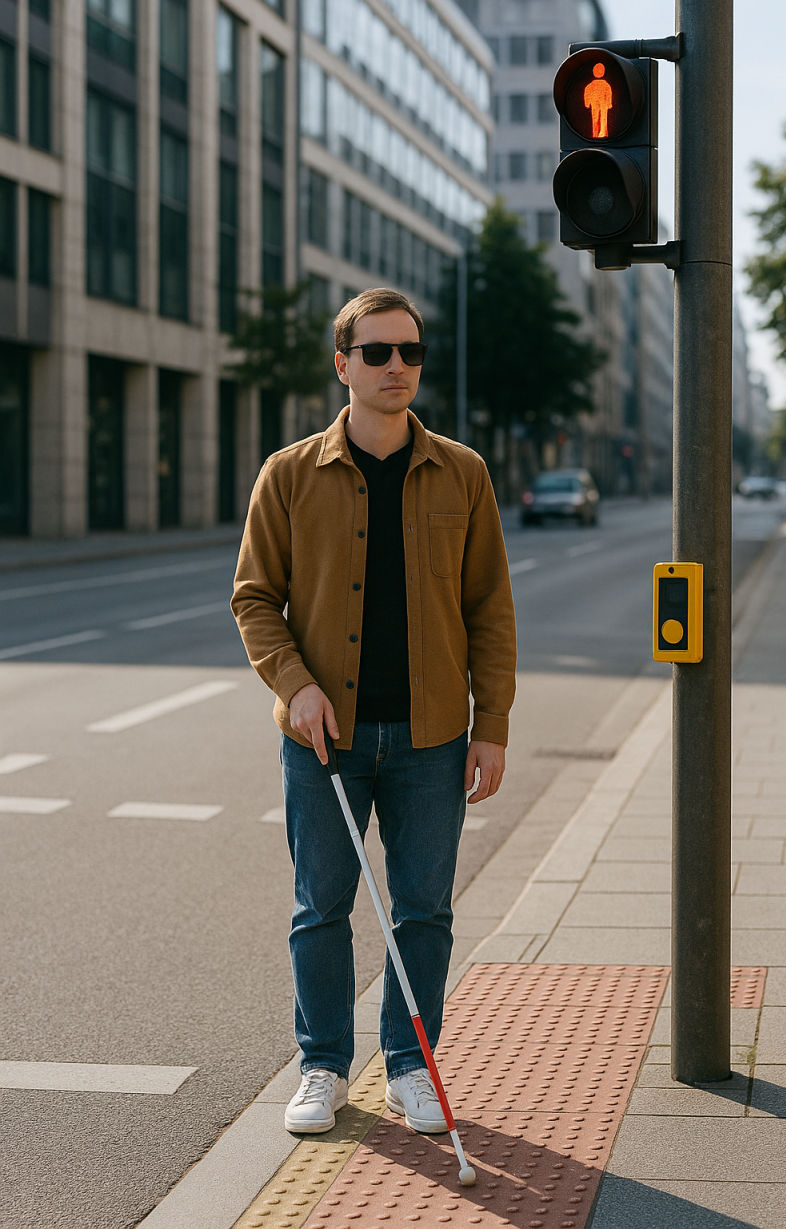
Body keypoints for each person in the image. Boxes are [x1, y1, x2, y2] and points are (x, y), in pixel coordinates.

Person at [231, 287, 516, 1136]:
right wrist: (294, 683)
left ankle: (409, 1065)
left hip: (433, 739)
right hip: (326, 738)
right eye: (379, 352)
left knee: (422, 910)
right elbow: (254, 599)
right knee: (321, 906)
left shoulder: (462, 471)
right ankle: (322, 1063)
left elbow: (489, 608)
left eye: (411, 353)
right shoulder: (289, 474)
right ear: (342, 363)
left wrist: (491, 723)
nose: (398, 367)